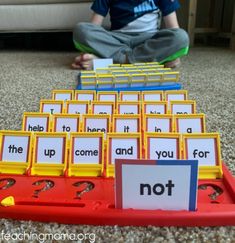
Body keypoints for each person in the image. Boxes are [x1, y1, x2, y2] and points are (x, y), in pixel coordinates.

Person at [72, 0, 189, 70]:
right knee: (81, 30)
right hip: (118, 40)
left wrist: (172, 51)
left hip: (148, 41)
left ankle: (106, 63)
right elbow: (93, 27)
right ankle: (143, 61)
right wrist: (91, 48)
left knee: (181, 37)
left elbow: (174, 29)